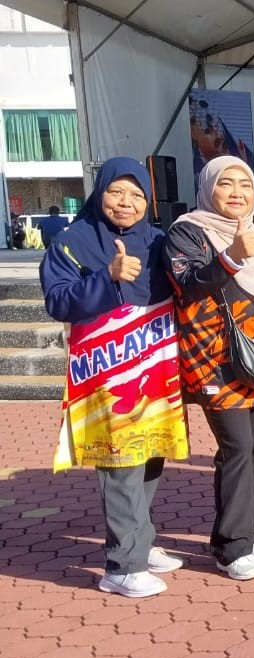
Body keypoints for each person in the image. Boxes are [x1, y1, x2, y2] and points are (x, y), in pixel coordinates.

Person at [39, 157, 189, 598]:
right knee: (120, 461)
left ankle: (141, 540)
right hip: (106, 371)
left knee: (151, 454)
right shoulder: (72, 242)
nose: (126, 202)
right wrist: (107, 277)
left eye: (137, 195)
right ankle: (122, 567)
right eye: (116, 192)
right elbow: (58, 302)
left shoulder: (159, 240)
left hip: (155, 365)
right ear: (99, 191)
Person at [165, 156, 254, 580]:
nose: (238, 192)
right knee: (237, 449)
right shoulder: (187, 232)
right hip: (214, 360)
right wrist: (233, 257)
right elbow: (188, 285)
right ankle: (230, 547)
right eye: (226, 183)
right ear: (208, 188)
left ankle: (250, 532)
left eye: (246, 184)